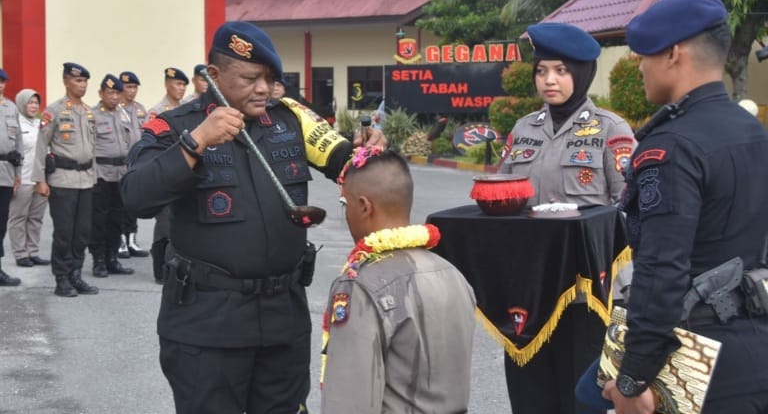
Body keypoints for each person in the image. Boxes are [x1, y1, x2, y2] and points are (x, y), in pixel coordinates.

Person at [120, 21, 385, 413]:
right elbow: (136, 196)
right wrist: (196, 143)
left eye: (269, 78)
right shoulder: (176, 126)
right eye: (250, 78)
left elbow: (350, 163)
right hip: (207, 325)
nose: (263, 88)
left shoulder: (290, 120)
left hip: (283, 320)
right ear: (213, 75)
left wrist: (368, 151)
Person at [590, 0, 768, 414]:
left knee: (589, 397)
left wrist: (633, 379)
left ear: (673, 55)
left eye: (643, 56)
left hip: (697, 359)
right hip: (757, 339)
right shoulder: (751, 129)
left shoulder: (670, 147)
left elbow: (662, 271)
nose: (640, 68)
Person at [496, 22, 636, 414]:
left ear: (581, 73)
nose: (549, 80)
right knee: (530, 396)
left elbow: (629, 209)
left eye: (560, 71)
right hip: (528, 289)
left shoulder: (610, 130)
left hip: (586, 294)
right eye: (541, 71)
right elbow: (501, 196)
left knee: (580, 398)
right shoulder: (524, 129)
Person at [321, 147, 476, 413]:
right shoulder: (451, 272)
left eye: (345, 205)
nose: (345, 215)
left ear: (364, 206)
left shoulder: (360, 285)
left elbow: (348, 400)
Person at [32, 62, 99, 297]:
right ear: (66, 81)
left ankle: (76, 275)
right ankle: (61, 278)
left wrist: (96, 176)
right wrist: (40, 179)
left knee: (82, 231)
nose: (82, 85)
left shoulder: (89, 112)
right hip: (62, 180)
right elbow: (42, 146)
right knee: (64, 232)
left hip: (86, 180)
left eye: (84, 81)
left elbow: (94, 147)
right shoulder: (54, 111)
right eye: (78, 81)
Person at [88, 74, 135, 278]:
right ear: (101, 93)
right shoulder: (93, 115)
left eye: (117, 93)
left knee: (117, 219)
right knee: (99, 220)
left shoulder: (123, 114)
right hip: (101, 174)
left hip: (121, 174)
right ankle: (99, 260)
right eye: (110, 93)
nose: (114, 97)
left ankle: (112, 258)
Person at [147, 67, 189, 283]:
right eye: (177, 84)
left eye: (183, 85)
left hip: (182, 174)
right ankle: (161, 270)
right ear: (167, 84)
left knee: (176, 222)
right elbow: (150, 145)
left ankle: (171, 267)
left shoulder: (187, 110)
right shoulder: (157, 112)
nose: (181, 89)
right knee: (165, 224)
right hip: (163, 174)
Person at [9, 89, 50, 268]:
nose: (33, 106)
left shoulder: (41, 123)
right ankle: (20, 253)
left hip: (40, 178)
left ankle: (33, 251)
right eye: (30, 102)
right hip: (23, 177)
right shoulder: (15, 124)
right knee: (19, 217)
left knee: (36, 217)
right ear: (21, 103)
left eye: (36, 102)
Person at [117, 71, 150, 258]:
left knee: (133, 202)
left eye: (135, 87)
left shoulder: (139, 109)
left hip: (136, 164)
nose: (132, 91)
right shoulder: (116, 110)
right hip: (120, 164)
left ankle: (132, 239)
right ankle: (121, 240)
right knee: (120, 204)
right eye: (129, 87)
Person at [0, 68, 23, 287]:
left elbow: (18, 144)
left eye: (2, 82)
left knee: (1, 223)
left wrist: (18, 174)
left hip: (6, 171)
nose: (0, 85)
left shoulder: (11, 108)